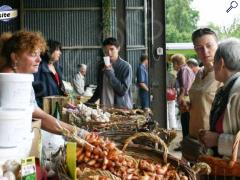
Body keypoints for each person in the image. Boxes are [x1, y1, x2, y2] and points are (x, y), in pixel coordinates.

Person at [0, 30, 87, 137]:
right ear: (15, 57)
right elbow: (39, 116)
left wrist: (78, 132)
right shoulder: (9, 81)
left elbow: (37, 113)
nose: (39, 59)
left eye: (39, 54)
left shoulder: (21, 78)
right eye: (33, 54)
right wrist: (79, 133)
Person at [199, 38, 240, 158]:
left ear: (221, 63)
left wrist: (217, 140)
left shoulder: (237, 91)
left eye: (214, 62)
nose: (213, 65)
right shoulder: (226, 88)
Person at [188, 28, 222, 139]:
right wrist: (188, 105)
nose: (205, 51)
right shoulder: (199, 73)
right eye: (199, 48)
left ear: (217, 45)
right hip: (194, 135)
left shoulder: (224, 73)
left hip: (210, 139)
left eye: (209, 46)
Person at [87, 37, 133, 109]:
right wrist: (88, 103)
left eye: (112, 49)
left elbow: (122, 91)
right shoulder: (101, 66)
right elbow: (100, 88)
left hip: (121, 110)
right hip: (105, 108)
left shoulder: (126, 67)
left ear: (118, 49)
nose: (109, 53)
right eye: (106, 50)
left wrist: (109, 73)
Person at [33, 39, 66, 108]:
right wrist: (42, 107)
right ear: (49, 50)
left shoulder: (59, 68)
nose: (60, 53)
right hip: (44, 109)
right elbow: (33, 93)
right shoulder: (38, 69)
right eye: (57, 50)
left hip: (57, 106)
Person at [171, 54, 195, 138]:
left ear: (176, 62)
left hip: (185, 99)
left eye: (173, 63)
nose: (172, 65)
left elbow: (185, 86)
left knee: (185, 121)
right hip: (186, 98)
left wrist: (180, 98)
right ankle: (185, 142)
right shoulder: (185, 69)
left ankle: (186, 142)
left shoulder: (184, 70)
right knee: (185, 121)